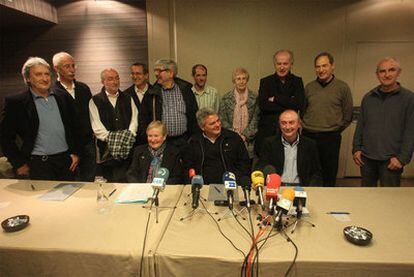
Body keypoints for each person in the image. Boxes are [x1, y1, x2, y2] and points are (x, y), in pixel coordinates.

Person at [0, 57, 79, 180]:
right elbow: (5, 138)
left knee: (70, 198)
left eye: (47, 74)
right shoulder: (16, 102)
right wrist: (19, 163)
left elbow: (74, 127)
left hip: (66, 163)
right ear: (27, 78)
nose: (45, 78)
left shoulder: (62, 96)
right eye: (38, 74)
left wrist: (75, 153)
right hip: (38, 164)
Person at [353, 57, 414, 187]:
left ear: (399, 72)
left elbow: (411, 132)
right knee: (366, 197)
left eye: (391, 70)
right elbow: (361, 125)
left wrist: (402, 159)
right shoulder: (368, 98)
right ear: (377, 74)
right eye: (382, 71)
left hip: (391, 161)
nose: (387, 75)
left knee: (388, 199)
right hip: (367, 159)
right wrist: (356, 148)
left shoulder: (409, 99)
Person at [302, 52, 353, 186]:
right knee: (308, 170)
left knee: (329, 173)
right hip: (308, 135)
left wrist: (334, 129)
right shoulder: (309, 87)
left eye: (324, 66)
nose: (321, 70)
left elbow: (348, 115)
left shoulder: (342, 87)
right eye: (318, 67)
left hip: (330, 137)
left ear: (332, 66)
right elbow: (302, 110)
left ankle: (327, 201)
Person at [52, 52, 96, 181]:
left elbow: (91, 113)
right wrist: (71, 150)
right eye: (67, 66)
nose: (72, 70)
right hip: (67, 147)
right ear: (56, 68)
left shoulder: (83, 88)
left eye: (73, 66)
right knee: (71, 182)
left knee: (89, 180)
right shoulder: (53, 92)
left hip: (87, 143)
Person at [89, 68, 138, 182]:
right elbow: (97, 127)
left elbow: (134, 120)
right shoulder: (95, 100)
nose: (115, 82)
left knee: (128, 180)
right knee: (110, 182)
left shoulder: (127, 98)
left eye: (117, 78)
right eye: (110, 79)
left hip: (128, 147)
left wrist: (127, 137)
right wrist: (115, 139)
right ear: (103, 82)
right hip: (106, 152)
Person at [139, 59, 199, 150]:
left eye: (159, 71)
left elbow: (194, 114)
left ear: (170, 73)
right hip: (161, 143)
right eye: (155, 71)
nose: (156, 74)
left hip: (184, 141)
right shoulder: (151, 93)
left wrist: (192, 138)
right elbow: (143, 118)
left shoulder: (186, 89)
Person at [181, 108, 250, 184]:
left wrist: (235, 179)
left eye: (218, 121)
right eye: (212, 123)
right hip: (204, 186)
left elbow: (244, 163)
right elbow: (188, 167)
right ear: (202, 127)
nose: (217, 125)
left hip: (231, 183)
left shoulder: (233, 138)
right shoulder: (193, 142)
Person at [256, 49, 305, 155]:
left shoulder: (297, 81)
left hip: (290, 133)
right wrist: (289, 103)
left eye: (285, 63)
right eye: (279, 63)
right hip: (268, 132)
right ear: (274, 64)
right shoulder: (265, 82)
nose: (282, 67)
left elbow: (299, 103)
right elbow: (263, 105)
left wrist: (275, 99)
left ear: (291, 64)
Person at [256, 110, 322, 186]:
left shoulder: (309, 144)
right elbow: (261, 167)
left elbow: (316, 173)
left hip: (302, 187)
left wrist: (311, 190)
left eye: (291, 123)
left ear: (299, 124)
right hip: (277, 187)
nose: (287, 127)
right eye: (283, 123)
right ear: (279, 125)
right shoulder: (269, 143)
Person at [219, 67, 259, 159]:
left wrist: (245, 135)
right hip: (230, 139)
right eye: (238, 79)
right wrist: (235, 135)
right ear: (234, 81)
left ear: (247, 80)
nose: (241, 81)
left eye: (244, 78)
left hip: (249, 141)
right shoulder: (226, 98)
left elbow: (256, 119)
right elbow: (222, 119)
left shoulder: (255, 97)